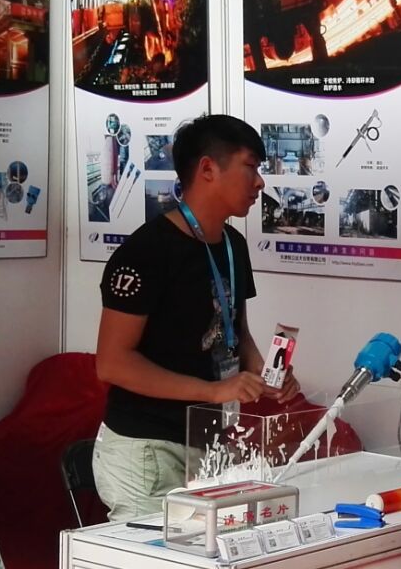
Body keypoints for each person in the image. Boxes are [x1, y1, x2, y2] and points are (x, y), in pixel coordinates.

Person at [93, 115, 303, 520]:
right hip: (148, 449)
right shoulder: (146, 252)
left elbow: (235, 332)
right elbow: (113, 363)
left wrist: (268, 376)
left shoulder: (233, 245)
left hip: (208, 444)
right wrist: (214, 391)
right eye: (250, 167)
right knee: (155, 561)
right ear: (208, 168)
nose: (260, 182)